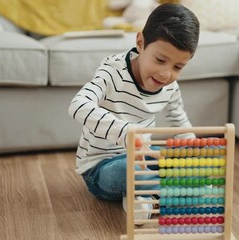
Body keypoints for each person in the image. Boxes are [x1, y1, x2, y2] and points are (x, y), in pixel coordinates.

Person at [68, 3, 200, 222]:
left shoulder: (169, 87)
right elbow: (78, 105)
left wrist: (194, 154)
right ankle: (176, 190)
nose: (166, 74)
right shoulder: (112, 71)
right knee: (132, 169)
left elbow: (179, 123)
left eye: (178, 67)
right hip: (101, 166)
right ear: (140, 43)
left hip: (143, 158)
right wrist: (126, 132)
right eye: (160, 60)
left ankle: (144, 196)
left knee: (174, 158)